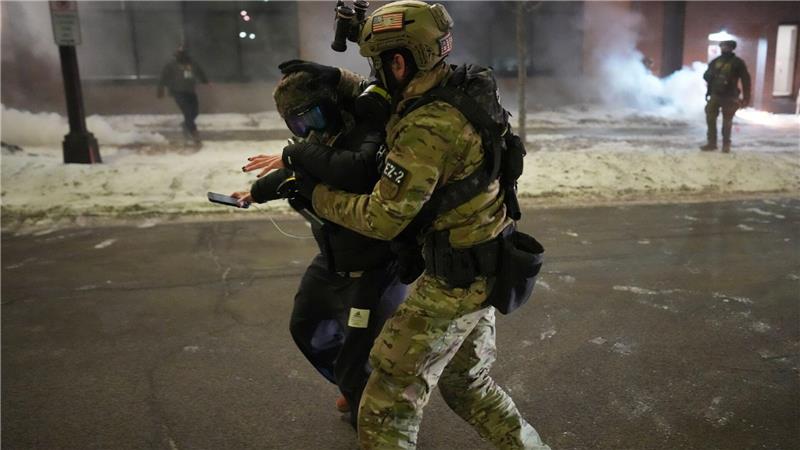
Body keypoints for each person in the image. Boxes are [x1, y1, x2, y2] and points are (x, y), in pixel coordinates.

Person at [282, 1, 550, 448]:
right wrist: (341, 80)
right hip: (486, 264)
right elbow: (391, 98)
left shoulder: (427, 126)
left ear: (401, 62)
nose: (374, 76)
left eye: (377, 64)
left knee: (386, 402)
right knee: (468, 387)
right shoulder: (458, 87)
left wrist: (313, 194)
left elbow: (382, 218)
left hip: (454, 283)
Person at [231, 64, 407, 427]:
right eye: (296, 125)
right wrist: (254, 193)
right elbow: (294, 171)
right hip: (332, 259)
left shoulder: (367, 126)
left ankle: (376, 417)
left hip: (374, 266)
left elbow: (355, 170)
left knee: (358, 355)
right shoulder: (318, 139)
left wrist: (294, 154)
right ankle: (354, 384)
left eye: (312, 115)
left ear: (330, 103)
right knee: (305, 326)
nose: (307, 129)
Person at [701, 39, 751, 153]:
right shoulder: (715, 62)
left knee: (727, 121)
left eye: (727, 47)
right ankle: (712, 143)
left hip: (730, 96)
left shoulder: (738, 62)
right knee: (710, 118)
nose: (724, 48)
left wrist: (746, 98)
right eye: (723, 46)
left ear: (732, 48)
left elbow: (746, 80)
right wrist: (709, 90)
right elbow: (708, 78)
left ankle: (726, 144)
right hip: (716, 94)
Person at [157, 46, 208, 146]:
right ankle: (194, 134)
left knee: (195, 112)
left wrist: (205, 81)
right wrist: (160, 89)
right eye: (179, 55)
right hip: (177, 92)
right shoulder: (171, 65)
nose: (181, 57)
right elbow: (163, 77)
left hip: (190, 91)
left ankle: (186, 125)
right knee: (188, 112)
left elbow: (199, 72)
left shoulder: (192, 63)